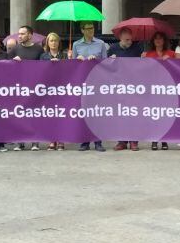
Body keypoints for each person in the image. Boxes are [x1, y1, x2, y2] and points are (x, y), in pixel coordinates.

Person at [72, 22, 108, 152]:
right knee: (84, 113)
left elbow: (106, 62)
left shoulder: (101, 43)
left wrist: (96, 60)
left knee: (97, 113)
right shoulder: (76, 45)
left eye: (92, 28)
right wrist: (77, 59)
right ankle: (84, 141)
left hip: (97, 82)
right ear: (82, 30)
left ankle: (98, 142)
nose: (91, 31)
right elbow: (72, 67)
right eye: (87, 29)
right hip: (82, 83)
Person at [9, 25, 45, 151]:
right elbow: (6, 67)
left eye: (22, 34)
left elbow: (44, 67)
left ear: (30, 35)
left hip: (35, 87)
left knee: (34, 115)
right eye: (19, 33)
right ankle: (20, 141)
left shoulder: (39, 49)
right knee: (20, 114)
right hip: (19, 88)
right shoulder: (15, 49)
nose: (19, 36)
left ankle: (35, 142)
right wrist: (13, 62)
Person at [107, 28, 141, 151]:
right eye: (127, 40)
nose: (129, 42)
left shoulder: (137, 48)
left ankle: (134, 141)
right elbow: (106, 67)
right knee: (120, 114)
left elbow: (141, 65)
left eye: (131, 39)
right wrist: (111, 61)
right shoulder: (112, 49)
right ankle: (122, 141)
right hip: (118, 86)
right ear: (120, 38)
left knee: (133, 113)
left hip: (133, 86)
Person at [143, 31, 175, 150]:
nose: (158, 40)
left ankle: (165, 139)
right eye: (155, 38)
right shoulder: (148, 54)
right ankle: (154, 139)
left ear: (164, 41)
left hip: (167, 88)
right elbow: (144, 70)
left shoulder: (171, 53)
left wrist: (171, 60)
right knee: (154, 114)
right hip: (152, 88)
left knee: (165, 114)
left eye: (160, 38)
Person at [41, 32, 68, 151]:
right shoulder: (43, 56)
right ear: (47, 43)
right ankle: (52, 140)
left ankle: (61, 140)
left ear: (59, 43)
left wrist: (65, 62)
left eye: (55, 40)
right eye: (51, 41)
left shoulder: (64, 55)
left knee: (61, 115)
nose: (53, 43)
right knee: (51, 115)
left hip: (61, 89)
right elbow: (39, 72)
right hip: (48, 90)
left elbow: (70, 72)